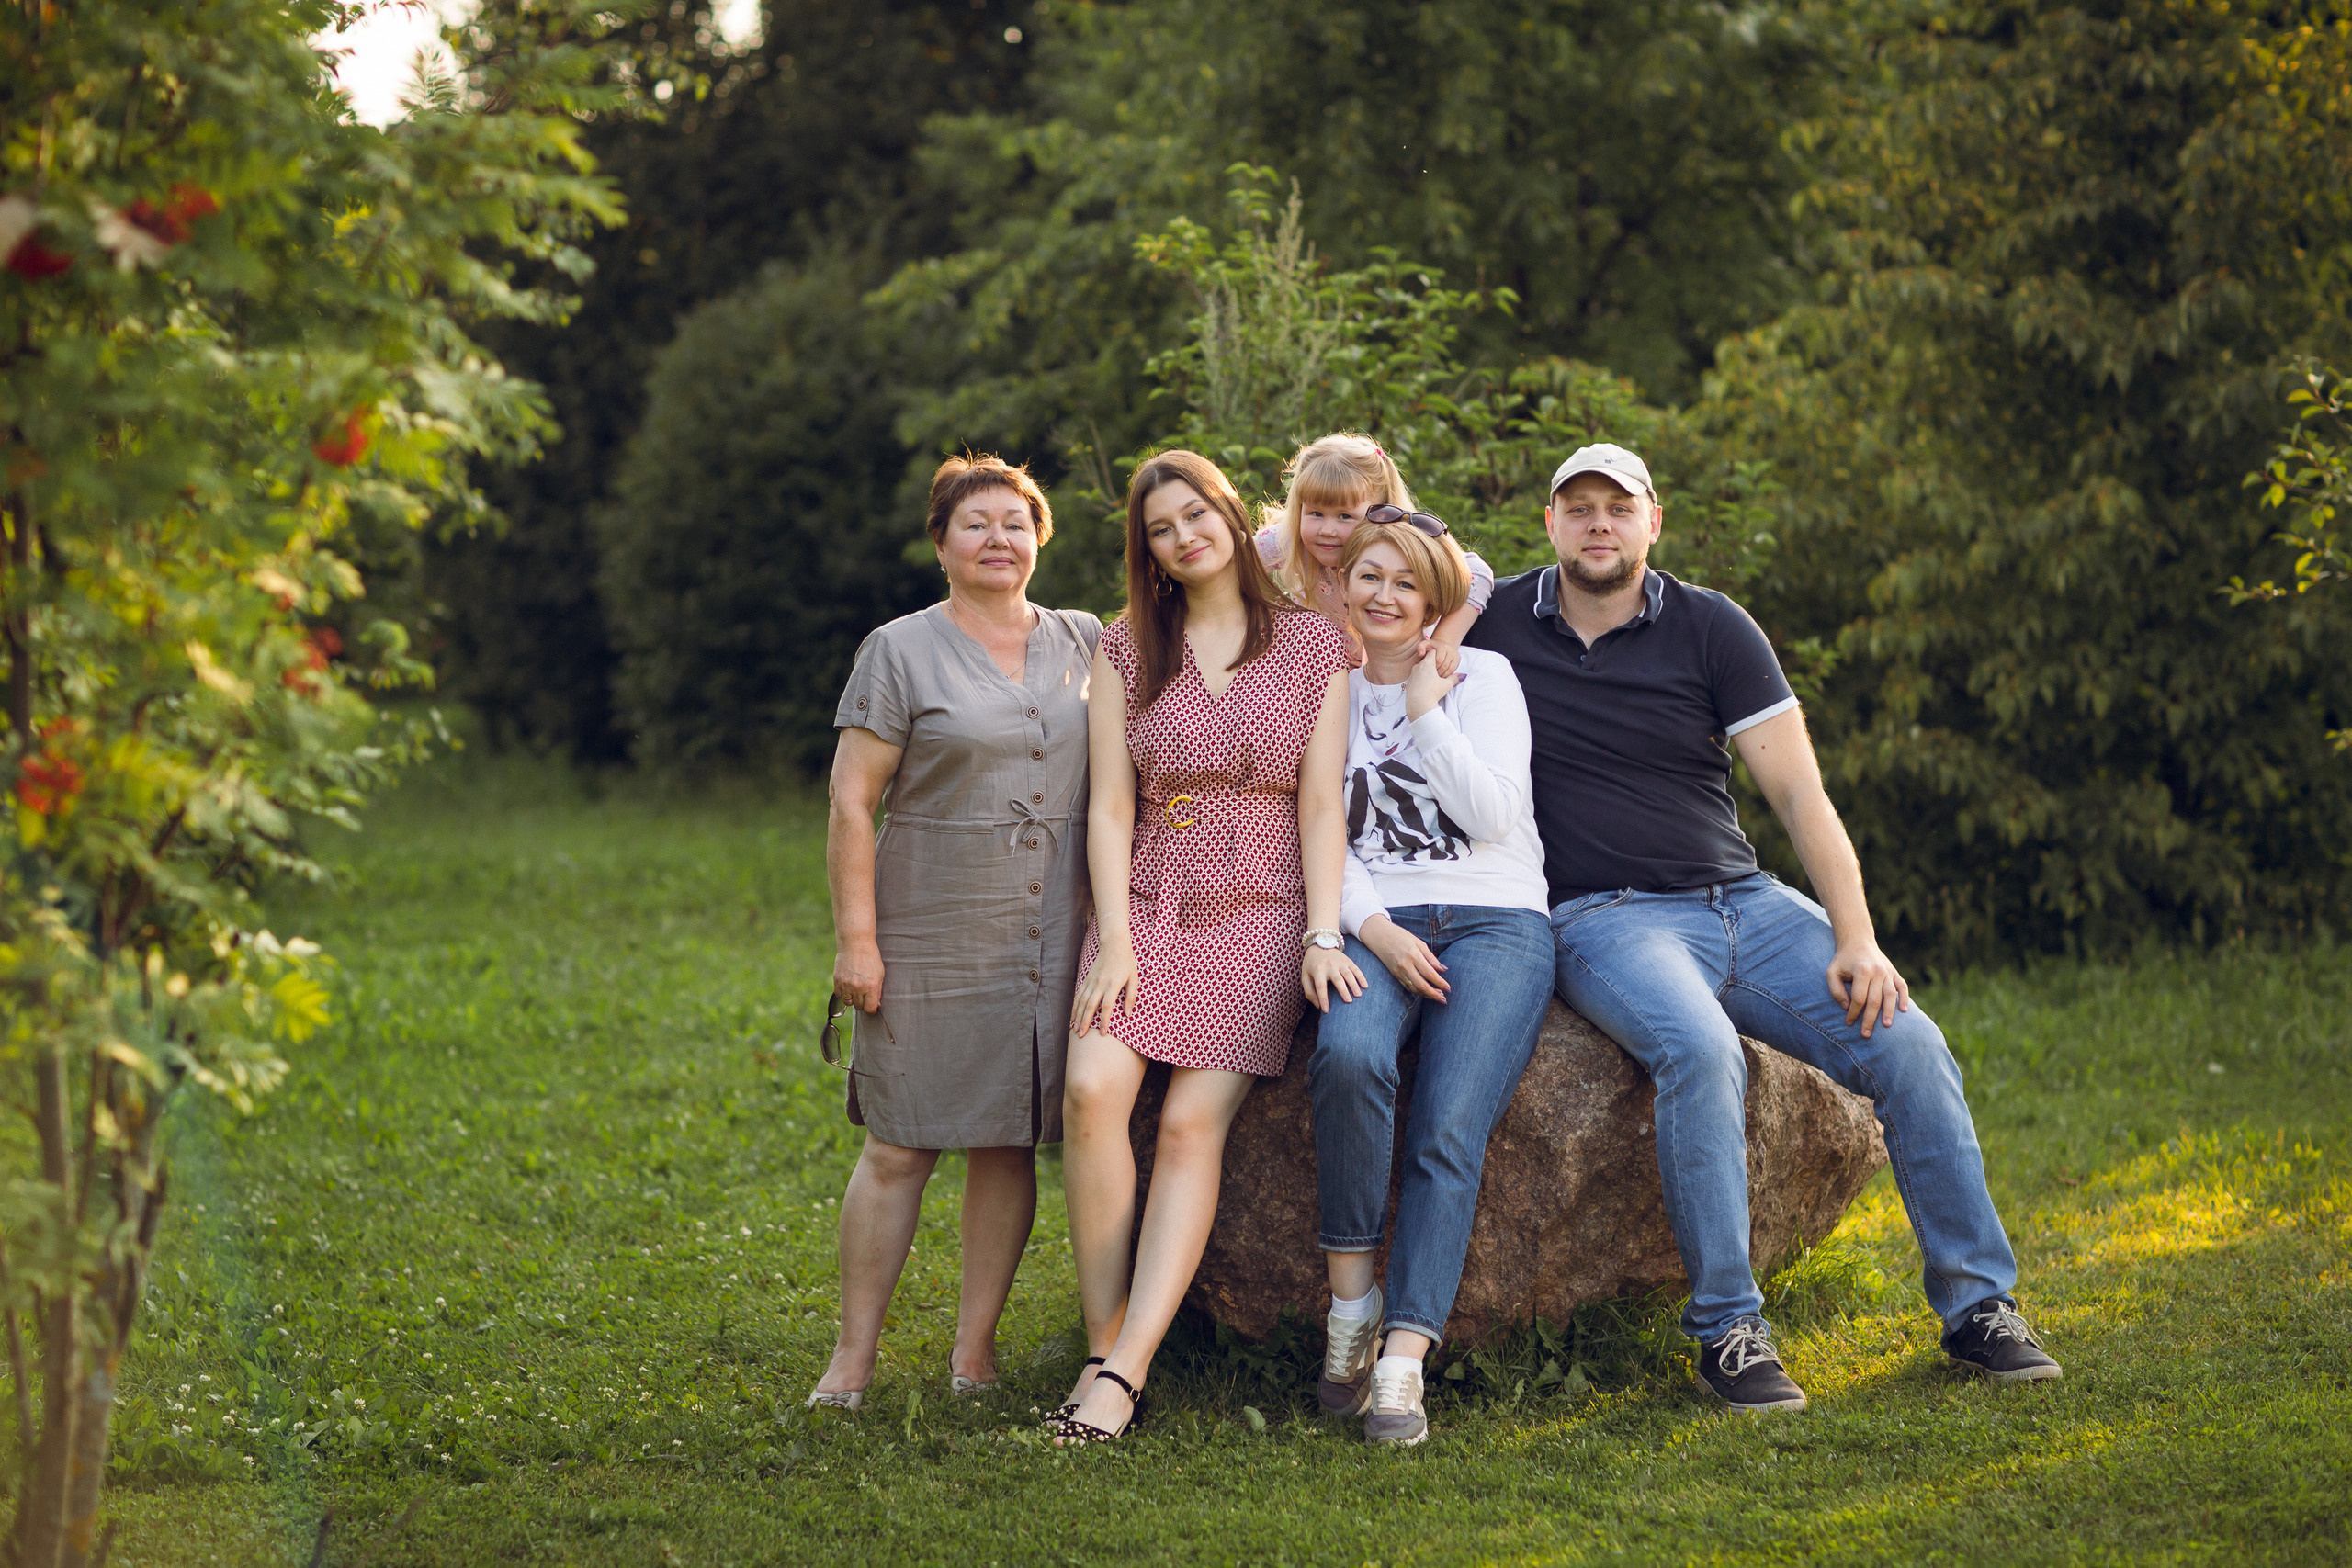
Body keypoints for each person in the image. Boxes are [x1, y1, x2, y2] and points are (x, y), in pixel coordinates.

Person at [1463, 442, 2062, 1413]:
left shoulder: (1711, 628)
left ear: (1653, 521)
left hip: (1745, 902)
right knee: (1701, 1052)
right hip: (1604, 918)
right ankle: (1728, 1332)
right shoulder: (1492, 622)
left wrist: (1857, 937)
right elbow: (1362, 578)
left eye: (1618, 507)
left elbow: (1800, 794)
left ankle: (1977, 1307)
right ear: (1549, 525)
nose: (1599, 525)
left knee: (1908, 1044)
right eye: (1578, 508)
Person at [1052, 449, 1358, 1444]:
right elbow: (1106, 806)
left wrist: (1318, 926)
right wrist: (1115, 943)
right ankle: (1103, 1343)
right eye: (1161, 529)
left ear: (1231, 516)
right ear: (1148, 551)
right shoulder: (1123, 647)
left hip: (1262, 901)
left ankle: (1125, 1378)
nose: (1184, 537)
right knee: (1094, 1088)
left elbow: (1321, 805)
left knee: (1190, 1123)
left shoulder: (1315, 646)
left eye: (1197, 515)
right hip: (1148, 888)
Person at [812, 455, 1101, 1410]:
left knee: (1009, 1138)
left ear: (1040, 538)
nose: (997, 539)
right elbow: (852, 802)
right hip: (929, 922)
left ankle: (974, 1354)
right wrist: (859, 942)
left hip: (1051, 929)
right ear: (941, 543)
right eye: (975, 523)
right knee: (899, 1144)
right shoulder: (897, 650)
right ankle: (852, 1359)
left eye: (1015, 522)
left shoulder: (1087, 641)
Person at [1307, 513, 1554, 1447]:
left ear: (1435, 603)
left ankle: (1403, 1364)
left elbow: (1491, 813)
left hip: (1496, 921)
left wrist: (1421, 706)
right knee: (1348, 1059)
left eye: (1403, 584)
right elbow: (1324, 832)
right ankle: (1352, 1310)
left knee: (1449, 1125)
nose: (1380, 595)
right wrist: (1372, 930)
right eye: (1365, 576)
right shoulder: (1324, 692)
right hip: (1379, 922)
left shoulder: (1481, 677)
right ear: (1340, 589)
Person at [1253, 432, 1494, 668]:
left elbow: (1477, 573)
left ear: (1379, 514)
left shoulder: (1403, 545)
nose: (1327, 530)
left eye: (1345, 516)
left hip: (1402, 667)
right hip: (1330, 672)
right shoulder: (1291, 538)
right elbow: (1238, 560)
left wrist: (1444, 642)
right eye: (1315, 513)